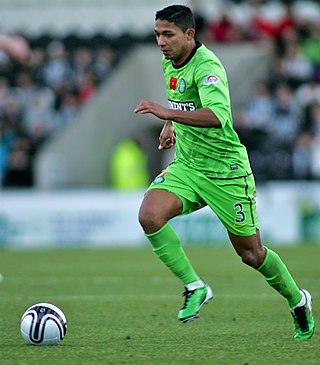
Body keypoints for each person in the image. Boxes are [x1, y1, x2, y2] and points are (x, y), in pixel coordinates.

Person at [134, 5, 314, 340]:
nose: (161, 41)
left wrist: (166, 112)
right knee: (149, 215)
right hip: (188, 165)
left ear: (190, 34)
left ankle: (296, 299)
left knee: (252, 254)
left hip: (226, 172)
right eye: (158, 34)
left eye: (168, 34)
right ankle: (195, 286)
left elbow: (218, 115)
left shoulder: (208, 67)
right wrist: (170, 123)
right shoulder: (169, 59)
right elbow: (182, 95)